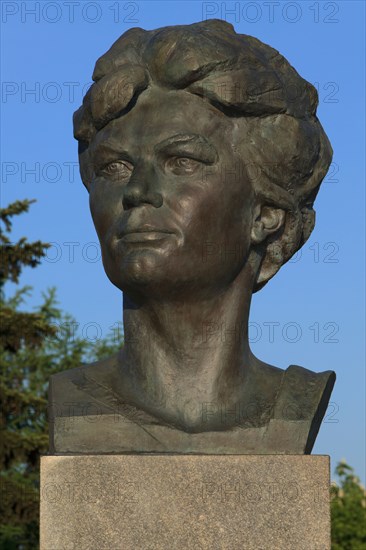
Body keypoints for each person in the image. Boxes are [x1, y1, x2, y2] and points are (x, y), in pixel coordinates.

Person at [49, 19, 335, 454]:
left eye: (181, 162)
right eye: (114, 168)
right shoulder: (75, 404)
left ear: (266, 215)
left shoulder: (294, 407)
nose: (137, 192)